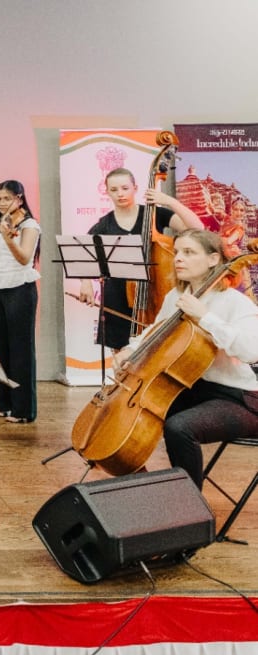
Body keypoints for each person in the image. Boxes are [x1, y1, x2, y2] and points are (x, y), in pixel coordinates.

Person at [113, 229, 258, 488]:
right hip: (196, 389)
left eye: (189, 253)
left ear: (214, 259)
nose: (178, 258)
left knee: (180, 427)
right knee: (133, 412)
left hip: (242, 399)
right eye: (178, 252)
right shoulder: (175, 297)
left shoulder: (235, 302)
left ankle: (191, 510)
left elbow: (252, 350)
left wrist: (205, 317)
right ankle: (140, 487)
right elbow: (153, 335)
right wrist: (129, 351)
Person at [79, 167, 203, 351]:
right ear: (107, 192)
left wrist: (168, 201)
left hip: (154, 292)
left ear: (135, 188)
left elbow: (197, 228)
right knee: (121, 354)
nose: (120, 194)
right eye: (114, 190)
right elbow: (84, 254)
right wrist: (86, 282)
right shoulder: (105, 223)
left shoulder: (154, 214)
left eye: (125, 188)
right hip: (118, 295)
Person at [0, 180, 41, 423]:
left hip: (20, 288)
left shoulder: (30, 225)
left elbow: (24, 258)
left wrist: (9, 239)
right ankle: (4, 403)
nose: (2, 203)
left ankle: (23, 409)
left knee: (20, 350)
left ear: (19, 199)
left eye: (7, 198)